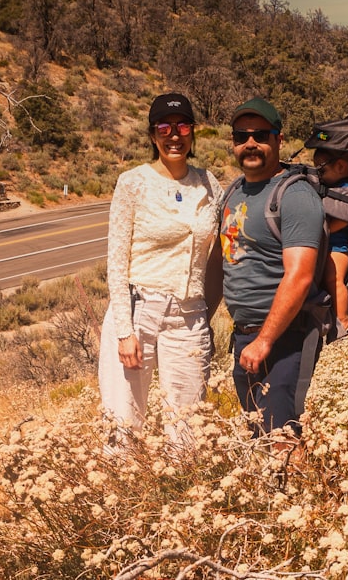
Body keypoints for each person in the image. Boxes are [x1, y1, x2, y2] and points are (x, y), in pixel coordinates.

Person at [98, 92, 223, 447]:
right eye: (164, 127)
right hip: (139, 313)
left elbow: (224, 249)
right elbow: (116, 261)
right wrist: (125, 330)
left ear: (193, 132)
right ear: (153, 134)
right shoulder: (133, 183)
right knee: (123, 424)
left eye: (183, 125)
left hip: (189, 317)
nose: (174, 135)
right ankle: (119, 498)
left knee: (186, 428)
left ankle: (179, 498)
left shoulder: (209, 184)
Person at [219, 97, 326, 436]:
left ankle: (302, 489)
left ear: (279, 140)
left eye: (261, 135)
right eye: (241, 136)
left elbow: (300, 275)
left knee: (282, 438)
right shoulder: (234, 192)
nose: (250, 143)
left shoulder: (294, 197)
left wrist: (265, 340)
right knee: (258, 437)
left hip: (284, 338)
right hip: (245, 339)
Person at [313, 148, 348, 334]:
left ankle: (343, 319)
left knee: (334, 280)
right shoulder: (332, 187)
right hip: (327, 244)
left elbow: (346, 217)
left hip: (338, 246)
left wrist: (326, 230)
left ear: (340, 166)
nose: (318, 175)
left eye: (321, 170)